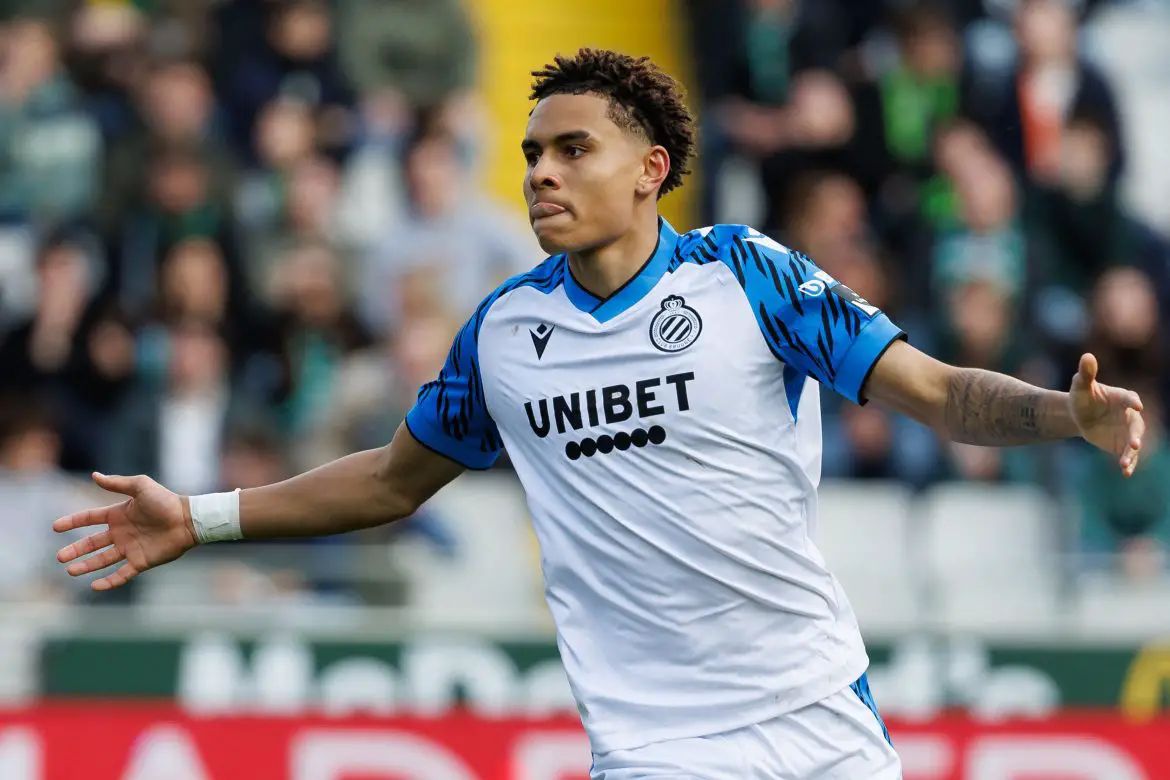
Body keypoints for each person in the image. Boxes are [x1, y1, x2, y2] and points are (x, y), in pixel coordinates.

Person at [53, 49, 1145, 779]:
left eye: (573, 150)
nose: (542, 173)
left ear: (649, 171)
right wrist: (201, 518)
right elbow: (390, 480)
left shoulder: (747, 278)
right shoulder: (503, 333)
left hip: (817, 718)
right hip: (654, 745)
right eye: (532, 153)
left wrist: (1066, 416)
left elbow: (940, 392)